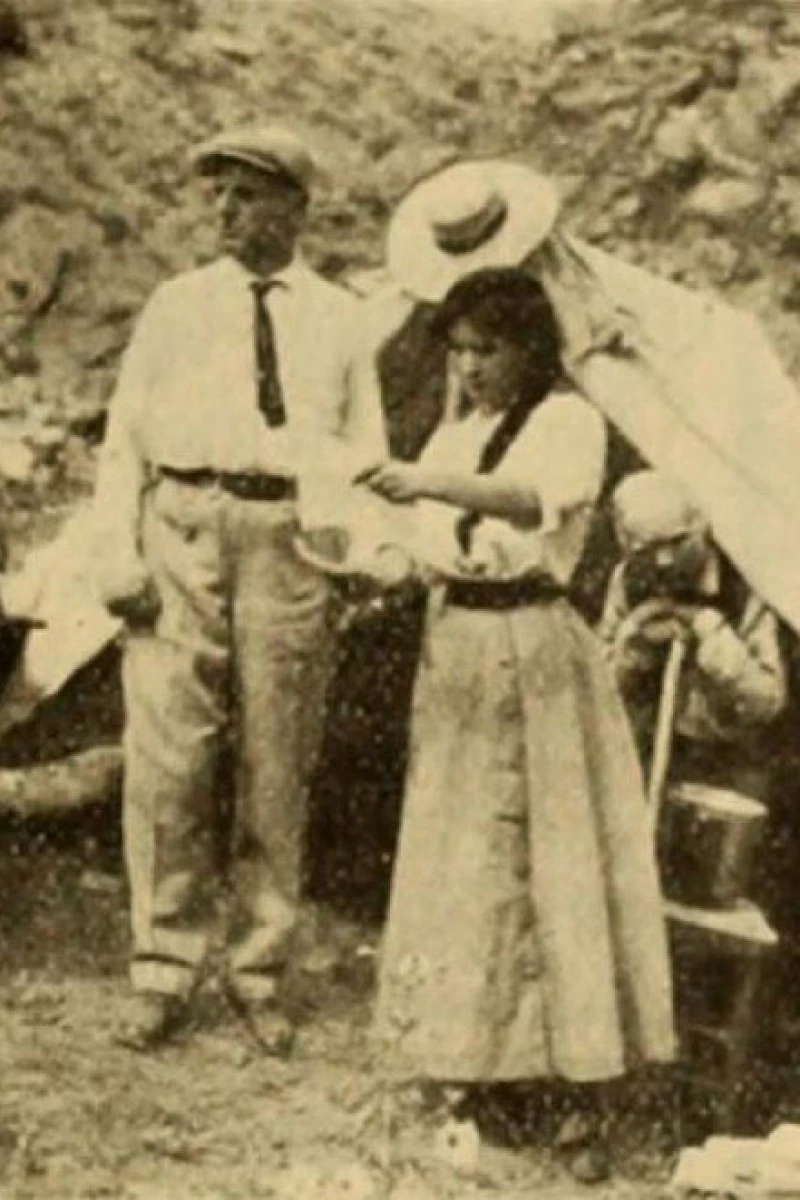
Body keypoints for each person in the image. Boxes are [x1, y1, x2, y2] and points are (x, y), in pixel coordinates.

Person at [362, 267, 675, 1184]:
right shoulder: (456, 432)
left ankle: (576, 1083)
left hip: (536, 649)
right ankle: (479, 1064)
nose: (469, 368)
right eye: (458, 350)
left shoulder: (567, 421)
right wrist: (381, 558)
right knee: (468, 863)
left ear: (530, 348)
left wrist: (425, 480)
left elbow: (538, 499)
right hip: (458, 651)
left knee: (552, 862)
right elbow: (430, 541)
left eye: (487, 349)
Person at [92, 125, 386, 1052]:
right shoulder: (176, 306)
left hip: (286, 539)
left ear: (296, 207)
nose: (225, 209)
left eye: (248, 194)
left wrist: (349, 549)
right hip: (180, 528)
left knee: (277, 759)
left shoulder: (340, 318)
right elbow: (122, 442)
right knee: (170, 758)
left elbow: (365, 450)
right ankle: (162, 967)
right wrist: (118, 559)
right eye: (217, 193)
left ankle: (259, 969)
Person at [599, 470, 787, 797]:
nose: (665, 560)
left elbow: (766, 702)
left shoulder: (744, 586)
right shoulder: (628, 580)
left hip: (732, 764)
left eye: (678, 541)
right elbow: (601, 686)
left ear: (701, 528)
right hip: (650, 754)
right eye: (648, 547)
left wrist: (710, 632)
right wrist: (635, 645)